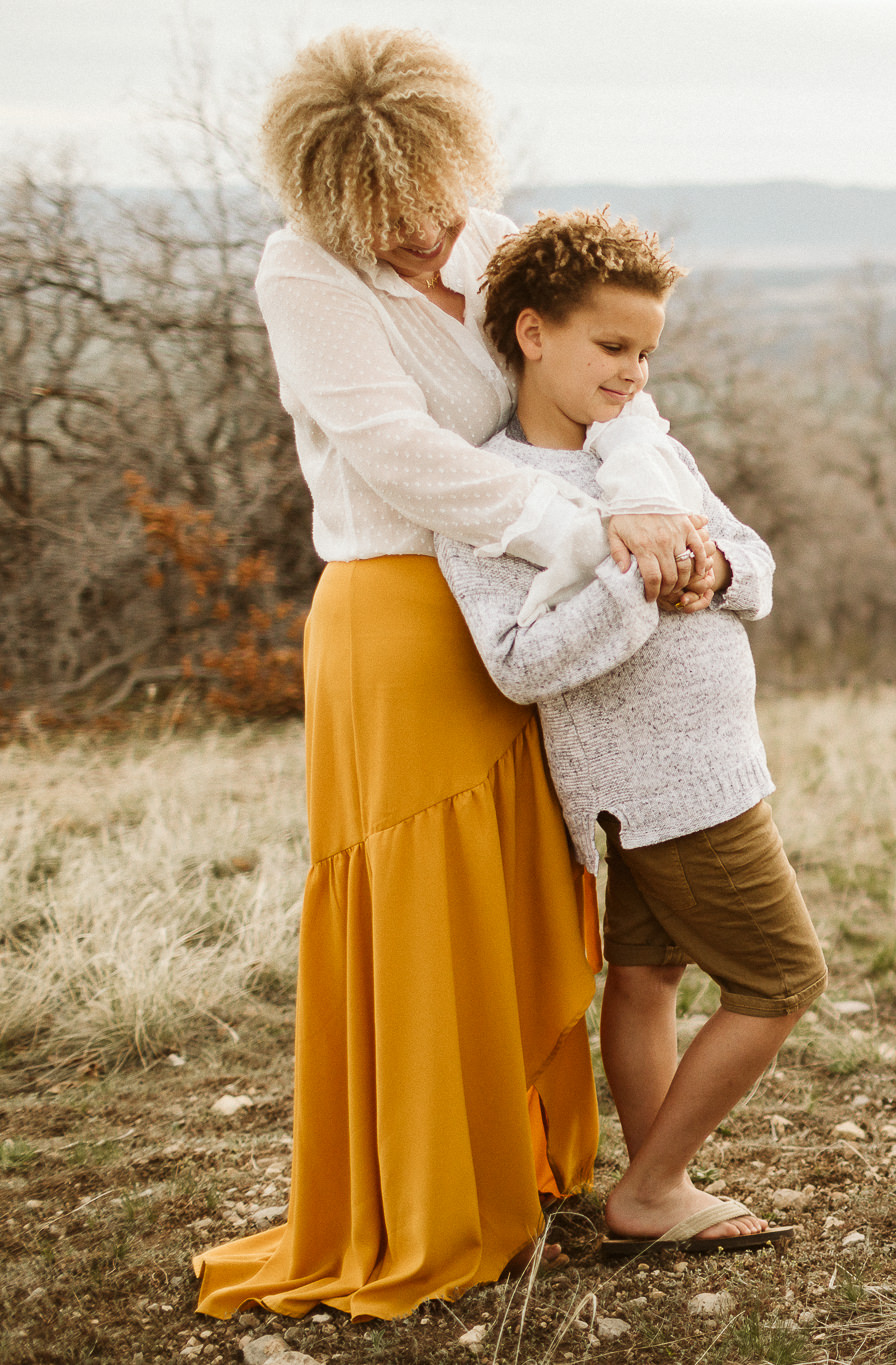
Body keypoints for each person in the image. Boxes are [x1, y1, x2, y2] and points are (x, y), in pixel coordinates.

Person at [194, 29, 705, 1320]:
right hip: (399, 616)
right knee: (425, 915)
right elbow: (394, 452)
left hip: (522, 613)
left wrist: (646, 507)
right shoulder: (302, 270)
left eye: (431, 204)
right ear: (329, 194)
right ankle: (427, 1197)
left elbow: (617, 391)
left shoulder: (490, 237)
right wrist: (590, 534)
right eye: (389, 220)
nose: (424, 240)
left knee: (529, 900)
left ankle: (523, 1165)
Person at [435, 209, 827, 1258]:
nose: (632, 374)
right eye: (611, 347)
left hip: (715, 760)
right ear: (531, 334)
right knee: (784, 979)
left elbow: (757, 567)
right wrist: (635, 581)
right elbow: (519, 661)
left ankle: (667, 1185)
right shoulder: (491, 494)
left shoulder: (644, 450)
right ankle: (650, 1189)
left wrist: (707, 566)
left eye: (646, 352)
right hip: (660, 786)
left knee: (648, 979)